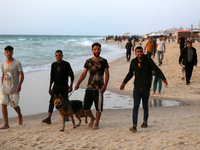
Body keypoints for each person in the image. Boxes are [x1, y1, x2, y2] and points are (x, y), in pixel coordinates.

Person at [120, 46, 167, 133]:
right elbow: (130, 73)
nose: (139, 53)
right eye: (138, 52)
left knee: (145, 106)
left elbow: (156, 69)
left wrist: (163, 78)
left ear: (143, 52)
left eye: (141, 51)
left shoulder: (148, 60)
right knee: (136, 106)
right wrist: (124, 82)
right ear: (135, 53)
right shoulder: (133, 62)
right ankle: (134, 125)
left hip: (146, 88)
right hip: (137, 88)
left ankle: (145, 122)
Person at [75, 42, 109, 130]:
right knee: (85, 107)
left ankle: (96, 123)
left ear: (100, 50)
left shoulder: (104, 61)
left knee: (98, 107)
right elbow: (84, 74)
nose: (97, 51)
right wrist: (78, 83)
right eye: (95, 49)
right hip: (90, 87)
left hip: (99, 88)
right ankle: (92, 118)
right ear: (92, 50)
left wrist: (105, 85)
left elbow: (107, 74)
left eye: (98, 49)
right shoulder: (88, 61)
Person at [42, 50, 74, 124]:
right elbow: (52, 77)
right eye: (57, 55)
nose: (58, 57)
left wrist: (71, 86)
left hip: (64, 86)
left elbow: (71, 75)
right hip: (56, 86)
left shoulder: (66, 64)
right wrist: (50, 87)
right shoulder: (53, 65)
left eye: (59, 55)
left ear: (62, 56)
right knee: (52, 101)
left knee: (65, 101)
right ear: (55, 56)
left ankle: (66, 116)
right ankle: (49, 118)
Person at [0, 46, 24, 129]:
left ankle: (19, 114)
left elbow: (22, 75)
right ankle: (6, 124)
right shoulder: (2, 64)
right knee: (3, 104)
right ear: (5, 53)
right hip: (4, 88)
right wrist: (1, 85)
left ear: (12, 53)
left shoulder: (17, 63)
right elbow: (3, 75)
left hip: (14, 88)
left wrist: (19, 85)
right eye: (7, 52)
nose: (8, 53)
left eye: (10, 52)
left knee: (14, 105)